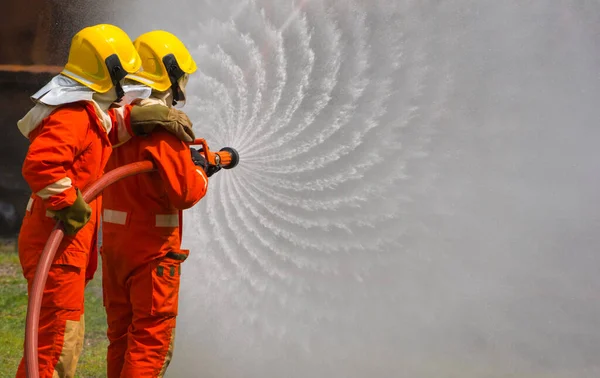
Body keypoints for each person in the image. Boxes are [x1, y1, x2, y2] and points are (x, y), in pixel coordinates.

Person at [16, 24, 197, 378]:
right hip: (58, 243)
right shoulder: (73, 115)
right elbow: (41, 165)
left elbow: (105, 135)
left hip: (66, 244)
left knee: (60, 337)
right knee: (55, 345)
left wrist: (140, 117)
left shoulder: (85, 113)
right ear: (109, 71)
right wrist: (68, 202)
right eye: (124, 74)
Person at [100, 30, 211, 377]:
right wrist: (202, 170)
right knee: (150, 340)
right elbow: (186, 193)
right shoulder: (162, 130)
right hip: (151, 254)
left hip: (115, 247)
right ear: (170, 75)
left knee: (121, 335)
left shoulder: (117, 119)